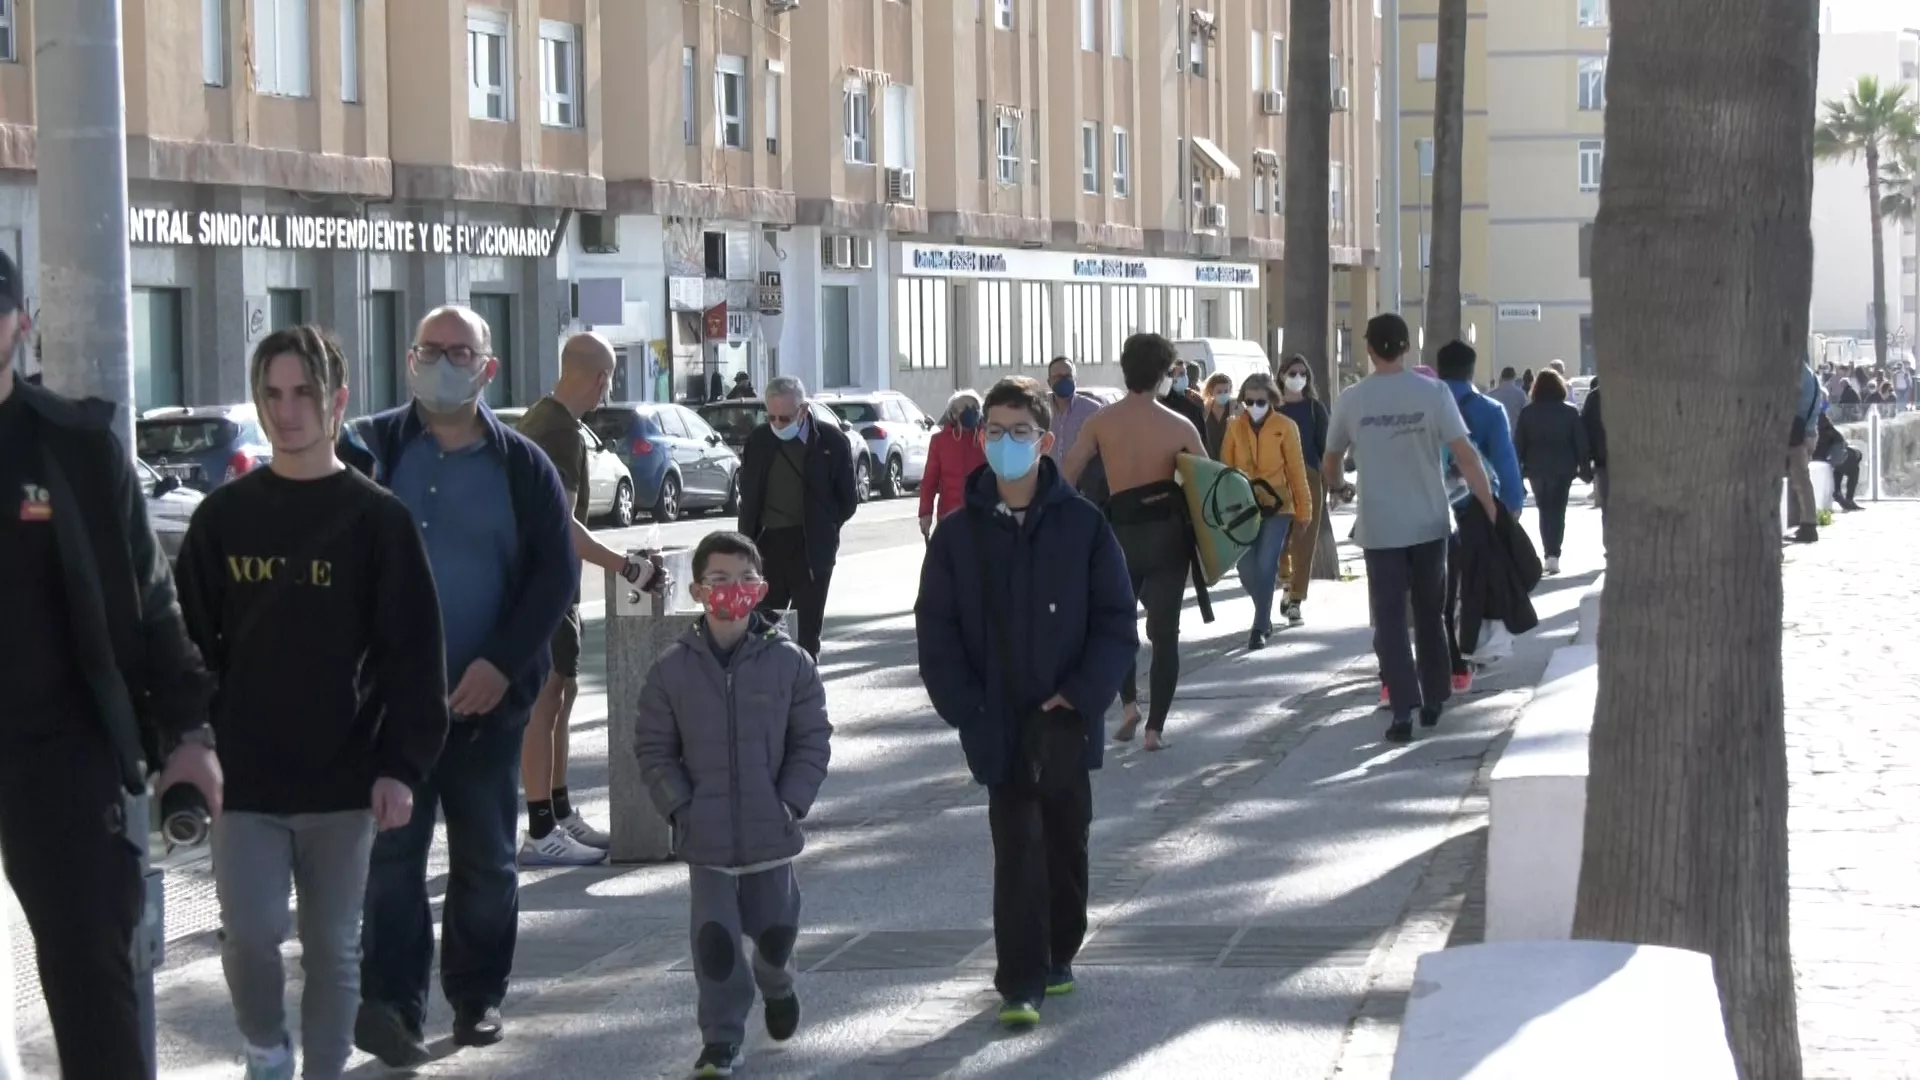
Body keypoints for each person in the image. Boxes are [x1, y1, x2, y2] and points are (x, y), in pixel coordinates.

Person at [175, 327, 450, 1080]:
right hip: (245, 783)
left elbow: (414, 659)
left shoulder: (378, 521)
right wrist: (187, 743)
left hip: (346, 781)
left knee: (334, 947)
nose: (287, 410)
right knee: (251, 937)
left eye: (303, 393)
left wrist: (402, 766)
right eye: (272, 394)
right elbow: (187, 650)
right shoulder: (220, 520)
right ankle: (266, 1052)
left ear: (338, 400)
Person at [339, 304, 579, 1064]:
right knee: (393, 862)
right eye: (429, 349)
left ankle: (477, 999)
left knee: (484, 859)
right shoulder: (368, 450)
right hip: (389, 713)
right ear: (408, 359)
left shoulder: (522, 466)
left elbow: (554, 577)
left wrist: (502, 664)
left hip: (487, 707)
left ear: (488, 367)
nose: (443, 362)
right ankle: (392, 1007)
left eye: (459, 351)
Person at [0, 251, 220, 1078]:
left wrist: (187, 732)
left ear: (21, 322)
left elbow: (150, 606)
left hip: (64, 755)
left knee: (93, 984)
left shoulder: (76, 448)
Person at [915, 376, 1137, 1031]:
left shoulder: (1084, 525)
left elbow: (1116, 619)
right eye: (993, 430)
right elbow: (937, 631)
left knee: (1066, 844)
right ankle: (1019, 981)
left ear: (1044, 441)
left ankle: (1059, 951)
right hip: (998, 719)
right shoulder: (957, 537)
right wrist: (967, 708)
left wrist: (1083, 693)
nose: (1004, 443)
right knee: (1016, 850)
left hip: (1067, 715)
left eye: (1018, 432)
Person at [633, 532, 832, 1078]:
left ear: (761, 588)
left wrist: (791, 801)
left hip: (773, 836)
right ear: (698, 591)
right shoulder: (671, 670)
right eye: (718, 581)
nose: (732, 592)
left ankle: (779, 985)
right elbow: (653, 748)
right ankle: (721, 1038)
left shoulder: (790, 664)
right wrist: (680, 808)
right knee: (716, 946)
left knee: (774, 937)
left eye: (744, 580)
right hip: (709, 843)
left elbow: (812, 738)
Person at [514, 333, 665, 868]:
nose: (610, 388)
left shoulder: (542, 419)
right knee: (545, 701)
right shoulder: (558, 431)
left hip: (552, 589)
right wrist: (626, 565)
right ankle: (539, 829)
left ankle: (557, 812)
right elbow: (562, 527)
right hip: (544, 588)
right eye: (610, 379)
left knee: (564, 691)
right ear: (601, 379)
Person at [1323, 314, 1497, 744]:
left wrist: (1340, 486)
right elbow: (1467, 455)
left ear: (1369, 349)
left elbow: (1330, 459)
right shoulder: (1433, 392)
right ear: (1405, 348)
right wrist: (1490, 506)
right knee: (1432, 613)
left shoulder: (1352, 399)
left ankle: (1402, 709)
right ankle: (1435, 698)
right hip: (1430, 522)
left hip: (1380, 526)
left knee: (1390, 620)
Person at [1063, 334, 1204, 752]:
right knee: (1165, 633)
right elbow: (1210, 483)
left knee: (1116, 624)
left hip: (1119, 533)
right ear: (1164, 374)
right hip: (1167, 534)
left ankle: (1127, 705)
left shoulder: (1101, 422)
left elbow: (1068, 473)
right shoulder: (1180, 425)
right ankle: (1154, 730)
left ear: (1125, 371)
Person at [736, 375, 860, 659]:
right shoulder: (758, 441)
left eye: (785, 418)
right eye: (772, 417)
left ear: (803, 410)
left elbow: (848, 501)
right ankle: (768, 697)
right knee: (764, 635)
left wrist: (825, 526)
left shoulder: (831, 442)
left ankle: (804, 696)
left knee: (806, 637)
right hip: (767, 546)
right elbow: (748, 497)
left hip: (811, 549)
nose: (778, 424)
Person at [1436, 341, 1525, 680]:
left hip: (1431, 508)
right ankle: (1464, 660)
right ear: (1471, 370)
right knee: (1470, 585)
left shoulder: (1427, 406)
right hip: (1477, 511)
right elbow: (1505, 462)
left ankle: (1434, 656)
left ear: (1440, 369)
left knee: (1436, 588)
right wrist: (1510, 509)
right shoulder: (1489, 410)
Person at [1222, 372, 1314, 650]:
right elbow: (1225, 470)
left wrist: (1304, 510)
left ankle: (1259, 627)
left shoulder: (1285, 426)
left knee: (1266, 565)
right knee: (1246, 568)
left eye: (1260, 400)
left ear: (1271, 398)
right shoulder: (1234, 428)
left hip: (1279, 506)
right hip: (1244, 508)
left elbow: (1297, 470)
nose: (1254, 404)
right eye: (1248, 400)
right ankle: (1263, 613)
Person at [1514, 369, 1590, 575]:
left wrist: (1517, 470)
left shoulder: (1528, 412)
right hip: (1563, 468)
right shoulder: (1570, 412)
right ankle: (1554, 554)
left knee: (1544, 509)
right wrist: (1584, 467)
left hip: (1536, 468)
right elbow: (1580, 442)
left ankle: (1548, 551)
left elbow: (1518, 443)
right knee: (1558, 511)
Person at [1275, 355, 1331, 627]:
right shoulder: (1272, 408)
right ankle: (1285, 584)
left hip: (1309, 478)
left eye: (1302, 373)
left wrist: (1330, 482)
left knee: (1304, 541)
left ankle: (1296, 599)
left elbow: (1326, 448)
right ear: (1282, 375)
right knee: (1280, 539)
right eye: (1292, 372)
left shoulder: (1314, 409)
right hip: (1277, 481)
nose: (1297, 378)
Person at [919, 389, 988, 538]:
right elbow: (929, 480)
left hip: (982, 516)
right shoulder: (939, 441)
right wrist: (925, 512)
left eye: (975, 407)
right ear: (954, 414)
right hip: (949, 515)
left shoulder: (987, 438)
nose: (971, 411)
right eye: (965, 407)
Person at [1045, 356, 1103, 462]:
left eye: (1067, 376)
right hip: (1048, 477)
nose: (1063, 380)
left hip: (1082, 478)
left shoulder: (1093, 410)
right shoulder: (1040, 409)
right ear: (1049, 382)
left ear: (1075, 379)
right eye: (1057, 377)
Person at [1581, 377, 1608, 518]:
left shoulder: (1594, 396)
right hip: (1628, 457)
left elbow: (1585, 427)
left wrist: (1588, 457)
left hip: (1602, 457)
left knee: (1607, 502)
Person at [1200, 372, 1236, 460]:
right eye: (1219, 392)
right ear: (1212, 391)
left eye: (1226, 391)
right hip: (1210, 459)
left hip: (1230, 459)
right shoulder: (1206, 408)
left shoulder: (1234, 407)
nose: (1223, 394)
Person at [1488, 366, 1530, 436]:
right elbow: (1526, 415)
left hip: (1496, 434)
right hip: (1515, 433)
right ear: (1514, 377)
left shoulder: (1491, 394)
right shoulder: (1520, 394)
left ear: (1501, 377)